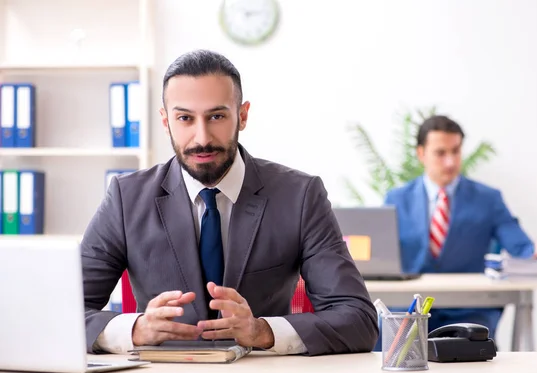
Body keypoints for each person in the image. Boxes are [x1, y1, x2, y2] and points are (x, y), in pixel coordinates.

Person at [81, 49, 378, 356]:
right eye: (184, 118)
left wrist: (262, 331)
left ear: (243, 115)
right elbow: (61, 312)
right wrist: (134, 329)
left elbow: (358, 320)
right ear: (165, 120)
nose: (202, 137)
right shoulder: (125, 198)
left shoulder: (300, 196)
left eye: (217, 116)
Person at [384, 115, 537, 339]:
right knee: (384, 339)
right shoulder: (397, 199)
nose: (450, 161)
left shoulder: (488, 199)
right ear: (421, 154)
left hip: (470, 309)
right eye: (441, 153)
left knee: (468, 348)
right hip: (409, 309)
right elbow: (382, 257)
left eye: (456, 151)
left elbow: (521, 245)